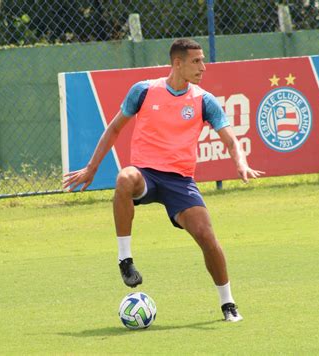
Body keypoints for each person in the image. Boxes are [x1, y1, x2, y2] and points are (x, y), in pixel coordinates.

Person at [63, 38, 264, 322]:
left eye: (203, 60)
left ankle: (228, 303)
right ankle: (125, 260)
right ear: (177, 63)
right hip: (145, 174)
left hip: (180, 182)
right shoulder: (144, 91)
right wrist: (91, 168)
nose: (203, 67)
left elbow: (230, 139)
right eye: (196, 61)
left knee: (206, 236)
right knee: (124, 177)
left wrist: (241, 162)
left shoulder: (204, 100)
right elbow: (114, 129)